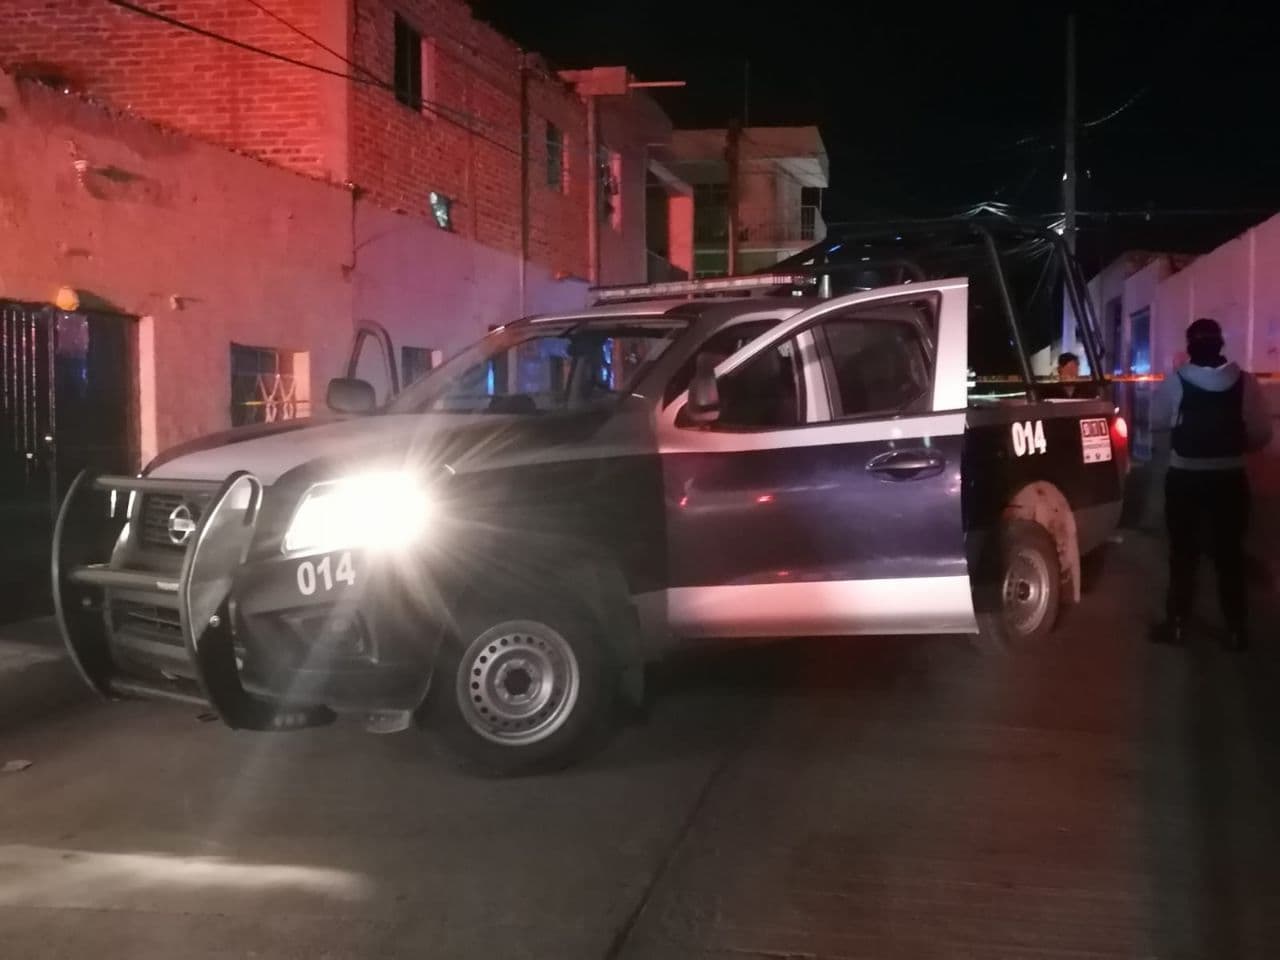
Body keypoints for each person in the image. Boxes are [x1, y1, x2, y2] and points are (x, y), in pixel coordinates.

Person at [1150, 317, 1273, 649]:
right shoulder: (1245, 382)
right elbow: (1262, 433)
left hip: (1185, 477)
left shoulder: (1176, 381)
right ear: (1221, 345)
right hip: (1229, 479)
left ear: (1190, 347)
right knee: (1230, 556)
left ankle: (1176, 625)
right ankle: (1236, 631)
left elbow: (1157, 421)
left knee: (1183, 554)